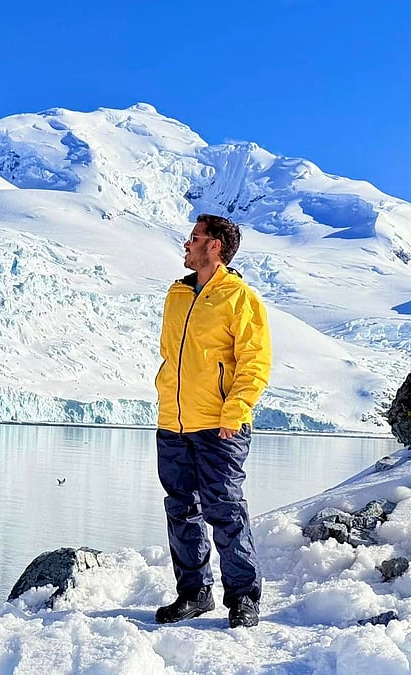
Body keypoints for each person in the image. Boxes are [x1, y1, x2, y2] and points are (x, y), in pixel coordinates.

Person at [153, 213, 271, 629]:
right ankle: (194, 593)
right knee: (181, 509)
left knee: (225, 509)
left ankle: (243, 598)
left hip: (220, 423)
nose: (186, 244)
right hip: (175, 422)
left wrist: (235, 410)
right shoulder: (178, 295)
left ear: (215, 246)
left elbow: (254, 363)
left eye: (194, 238)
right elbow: (173, 358)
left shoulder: (239, 298)